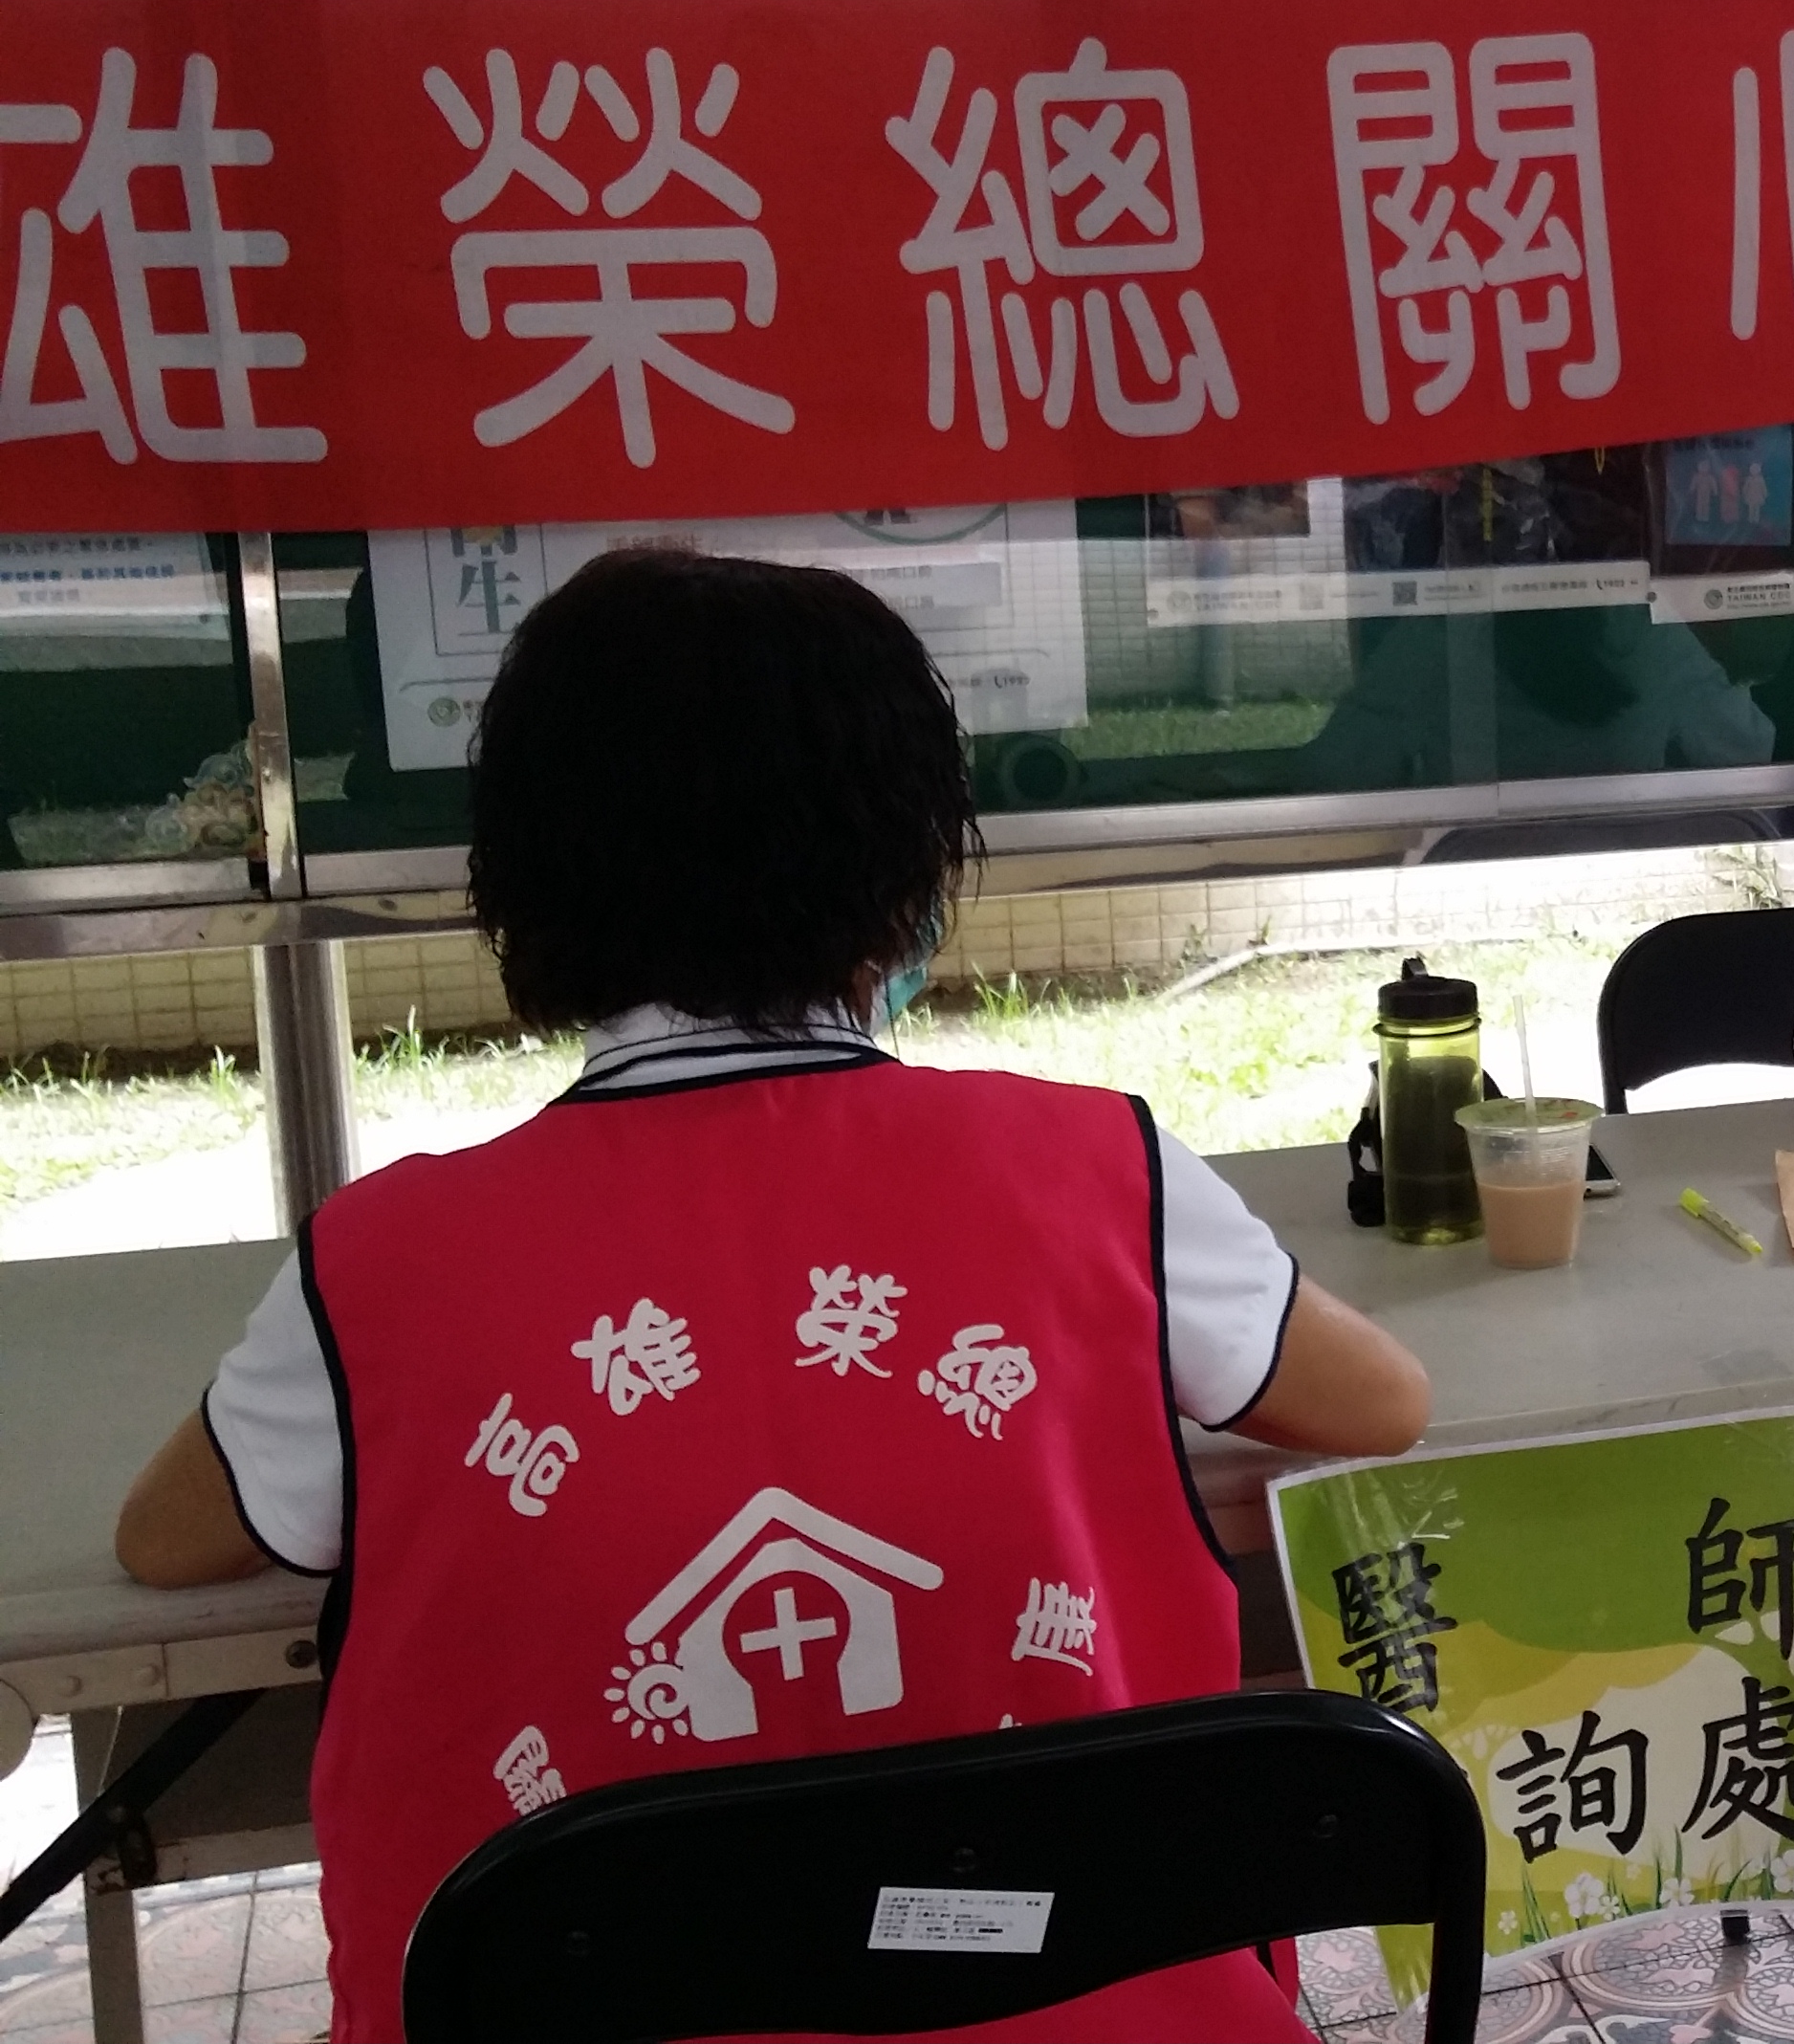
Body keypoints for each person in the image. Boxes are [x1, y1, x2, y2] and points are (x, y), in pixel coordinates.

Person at [114, 549, 1433, 2044]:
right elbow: (1382, 1402)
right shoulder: (1098, 1169)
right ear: (905, 869)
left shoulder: (383, 1261)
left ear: (529, 876)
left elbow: (166, 1540)